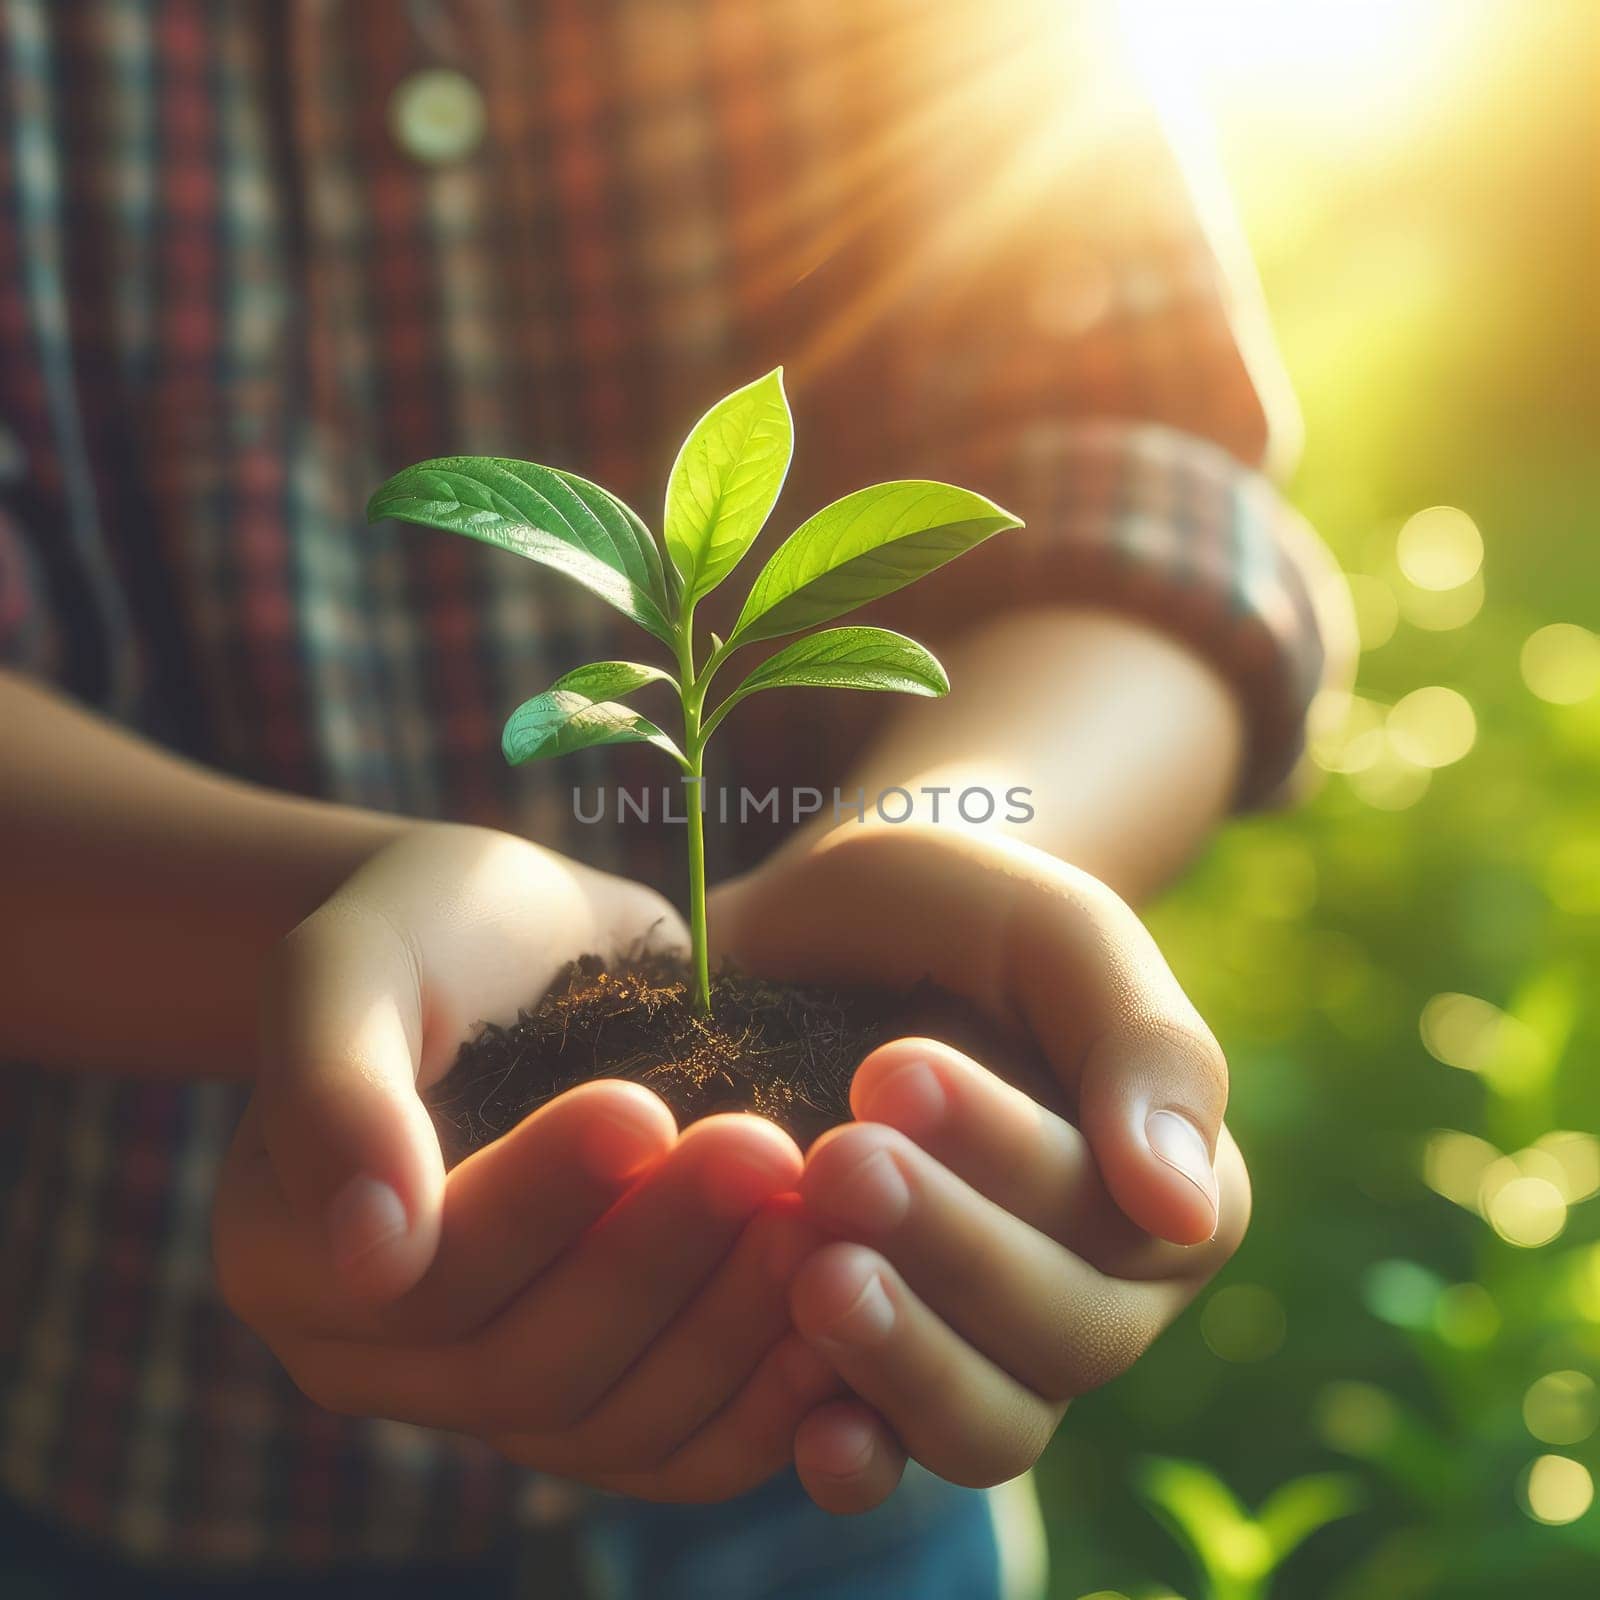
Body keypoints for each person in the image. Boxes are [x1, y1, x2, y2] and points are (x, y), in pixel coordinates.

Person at [0, 3, 1350, 1596]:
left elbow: (1142, 473)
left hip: (852, 1450)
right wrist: (334, 947)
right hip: (140, 1451)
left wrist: (947, 850)